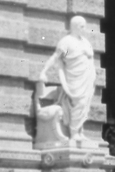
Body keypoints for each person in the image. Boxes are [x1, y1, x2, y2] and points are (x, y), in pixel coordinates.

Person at [38, 16, 97, 146]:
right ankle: (74, 133)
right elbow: (56, 57)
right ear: (74, 26)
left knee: (84, 105)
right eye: (82, 26)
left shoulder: (85, 42)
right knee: (78, 103)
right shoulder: (66, 42)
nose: (84, 29)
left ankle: (79, 132)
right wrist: (44, 71)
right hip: (74, 78)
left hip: (86, 79)